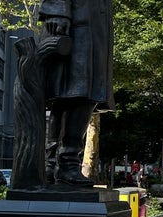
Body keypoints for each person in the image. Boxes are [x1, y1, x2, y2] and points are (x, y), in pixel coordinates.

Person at [39, 0, 115, 186]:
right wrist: (57, 12)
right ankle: (61, 163)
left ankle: (59, 164)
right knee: (75, 91)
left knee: (82, 93)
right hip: (76, 23)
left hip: (95, 24)